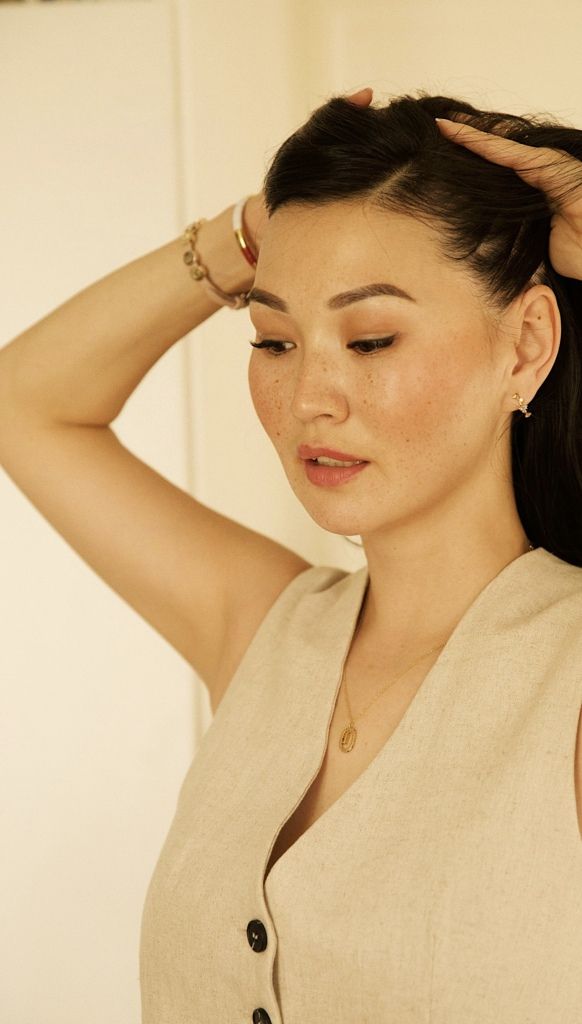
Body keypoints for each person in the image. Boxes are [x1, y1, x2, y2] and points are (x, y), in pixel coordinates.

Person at [1, 86, 582, 1023]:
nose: (310, 394)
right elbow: (25, 403)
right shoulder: (265, 632)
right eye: (274, 340)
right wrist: (245, 236)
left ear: (525, 347)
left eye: (371, 338)